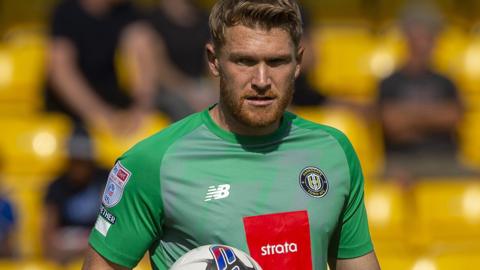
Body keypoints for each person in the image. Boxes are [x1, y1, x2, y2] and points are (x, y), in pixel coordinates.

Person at [83, 1, 380, 269]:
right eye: (245, 61)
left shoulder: (332, 152)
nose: (262, 81)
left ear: (298, 62)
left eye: (276, 62)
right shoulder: (152, 162)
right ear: (213, 61)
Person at [45, 0, 187, 135]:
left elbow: (147, 53)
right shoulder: (66, 13)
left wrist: (141, 109)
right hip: (73, 115)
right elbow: (60, 71)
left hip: (124, 113)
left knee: (141, 37)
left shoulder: (129, 12)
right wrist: (102, 116)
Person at [377, 2, 465, 182]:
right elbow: (392, 124)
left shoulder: (446, 81)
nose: (428, 41)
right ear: (407, 36)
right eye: (422, 33)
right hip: (402, 162)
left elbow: (453, 117)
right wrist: (434, 116)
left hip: (445, 161)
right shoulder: (390, 82)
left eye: (432, 34)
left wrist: (408, 116)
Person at [43, 132, 107, 264]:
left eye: (83, 161)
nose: (79, 167)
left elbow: (111, 224)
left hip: (97, 243)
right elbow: (47, 240)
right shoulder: (56, 187)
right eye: (75, 161)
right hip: (67, 249)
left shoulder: (104, 180)